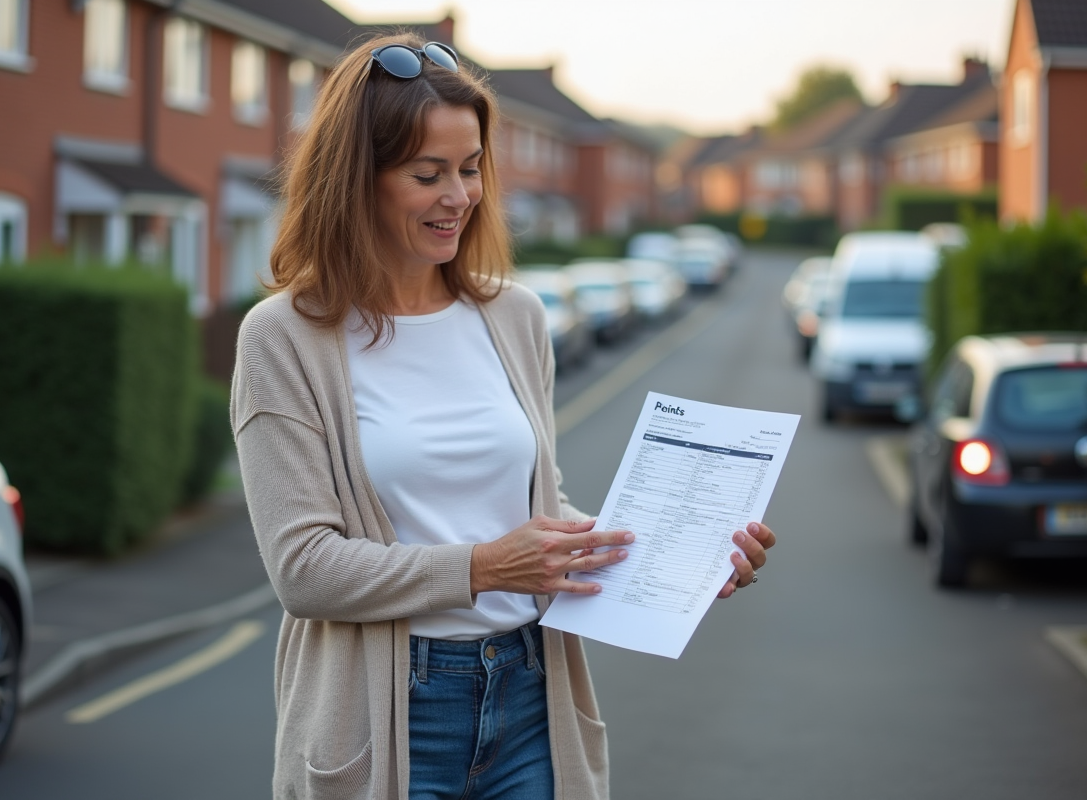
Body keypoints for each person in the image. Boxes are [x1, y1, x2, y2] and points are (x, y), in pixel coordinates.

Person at [230, 33, 776, 800]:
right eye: (428, 174)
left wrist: (679, 560)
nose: (460, 196)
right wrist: (485, 567)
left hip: (529, 697)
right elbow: (304, 571)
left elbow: (542, 513)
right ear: (357, 180)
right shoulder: (284, 337)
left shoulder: (513, 316)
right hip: (390, 716)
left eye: (471, 167)